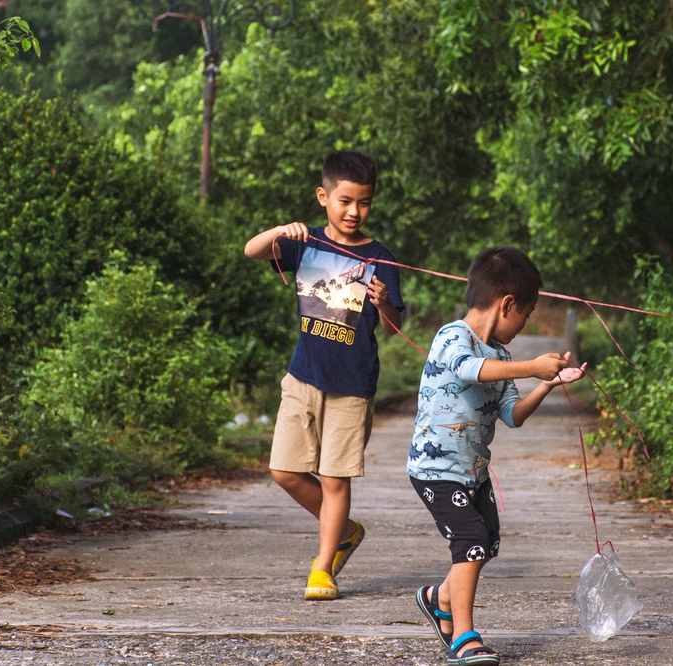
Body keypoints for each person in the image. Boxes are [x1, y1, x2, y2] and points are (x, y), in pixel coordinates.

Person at [407, 246, 587, 665]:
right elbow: (470, 370)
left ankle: (439, 598)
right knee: (469, 543)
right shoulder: (452, 336)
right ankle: (464, 636)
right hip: (436, 470)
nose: (523, 326)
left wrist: (548, 383)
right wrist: (531, 367)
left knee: (485, 544)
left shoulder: (503, 356)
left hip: (473, 472)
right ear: (506, 304)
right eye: (524, 317)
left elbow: (513, 415)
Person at [244, 150, 403, 601]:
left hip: (352, 386)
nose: (355, 212)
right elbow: (251, 250)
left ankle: (323, 566)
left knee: (335, 479)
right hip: (302, 376)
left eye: (365, 202)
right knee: (284, 470)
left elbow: (393, 328)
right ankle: (346, 531)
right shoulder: (305, 243)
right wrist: (281, 231)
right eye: (346, 201)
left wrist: (384, 301)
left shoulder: (380, 256)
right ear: (323, 197)